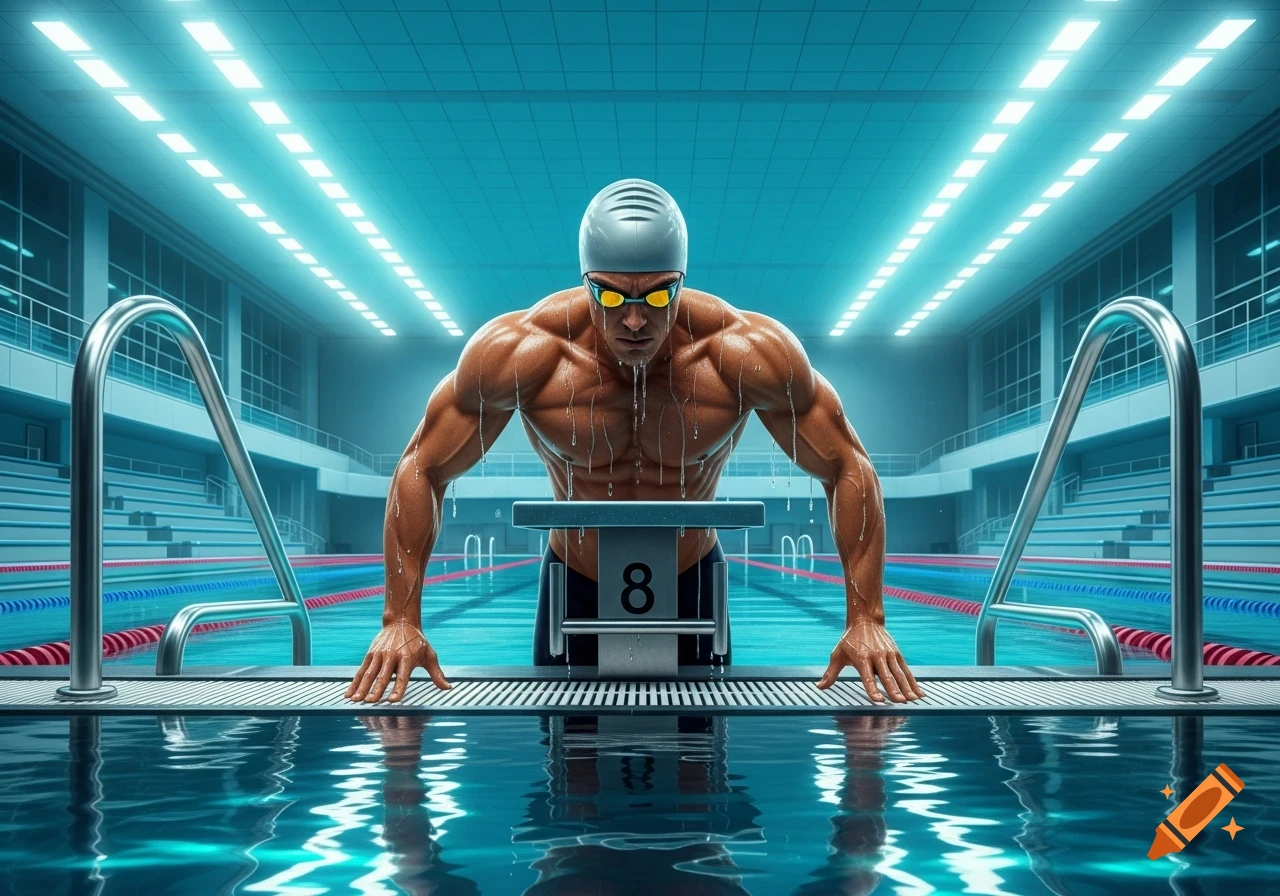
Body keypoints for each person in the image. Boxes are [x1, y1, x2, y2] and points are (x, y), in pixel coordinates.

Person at [346, 178, 924, 706]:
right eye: (612, 298)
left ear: (681, 283)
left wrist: (866, 619)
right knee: (568, 780)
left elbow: (849, 465)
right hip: (572, 583)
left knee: (701, 780)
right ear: (586, 283)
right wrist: (400, 619)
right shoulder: (524, 354)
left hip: (694, 579)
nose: (633, 321)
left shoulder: (742, 355)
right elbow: (421, 466)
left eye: (655, 298)